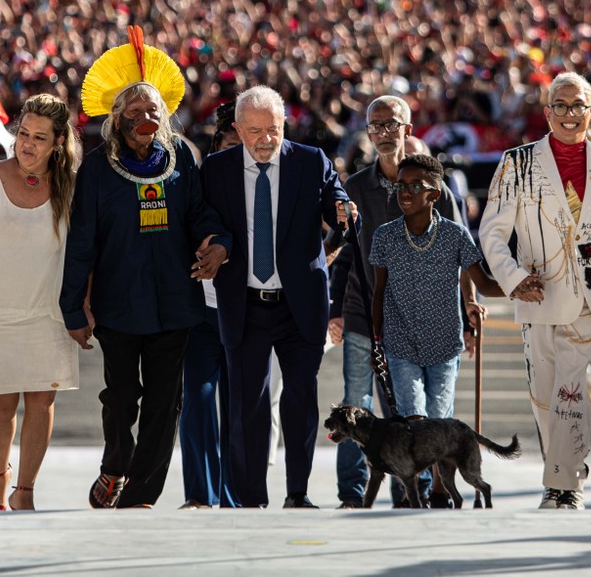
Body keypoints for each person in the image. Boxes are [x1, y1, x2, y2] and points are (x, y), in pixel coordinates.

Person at [59, 33, 231, 509]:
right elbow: (81, 243)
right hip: (118, 305)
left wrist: (219, 244)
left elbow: (201, 216)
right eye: (133, 114)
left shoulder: (183, 162)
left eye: (152, 112)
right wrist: (73, 308)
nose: (144, 120)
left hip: (175, 305)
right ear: (116, 120)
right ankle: (116, 464)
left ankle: (140, 495)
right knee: (121, 397)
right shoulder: (96, 169)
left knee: (164, 404)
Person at [478, 70, 591, 509]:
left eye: (578, 106)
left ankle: (565, 485)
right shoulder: (516, 162)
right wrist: (514, 278)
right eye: (561, 106)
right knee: (543, 394)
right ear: (548, 112)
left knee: (569, 390)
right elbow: (492, 232)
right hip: (536, 290)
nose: (570, 114)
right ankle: (564, 471)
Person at [203, 85, 355, 509]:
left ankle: (297, 493)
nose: (266, 139)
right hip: (245, 302)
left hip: (299, 304)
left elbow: (334, 198)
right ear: (237, 128)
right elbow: (206, 218)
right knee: (246, 406)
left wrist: (342, 211)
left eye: (273, 129)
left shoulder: (310, 161)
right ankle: (250, 499)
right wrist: (216, 242)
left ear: (284, 124)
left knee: (301, 400)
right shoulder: (217, 169)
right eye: (254, 131)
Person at [331, 93, 466, 507]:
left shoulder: (433, 187)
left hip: (414, 319)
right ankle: (352, 493)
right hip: (361, 311)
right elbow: (344, 254)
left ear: (409, 130)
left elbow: (459, 252)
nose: (385, 132)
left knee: (406, 410)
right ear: (368, 133)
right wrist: (334, 310)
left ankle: (412, 491)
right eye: (377, 125)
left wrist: (464, 312)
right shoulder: (354, 187)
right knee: (356, 400)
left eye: (393, 124)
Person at [0, 94, 81, 511]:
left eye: (39, 138)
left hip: (49, 312)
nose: (27, 144)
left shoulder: (71, 185)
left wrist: (84, 307)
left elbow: (84, 254)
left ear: (58, 142)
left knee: (42, 402)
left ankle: (24, 490)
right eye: (23, 133)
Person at [369, 155, 500, 447]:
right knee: (413, 421)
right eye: (400, 186)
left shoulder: (455, 234)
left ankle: (439, 492)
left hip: (443, 344)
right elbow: (379, 291)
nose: (405, 193)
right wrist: (375, 341)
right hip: (400, 343)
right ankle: (420, 490)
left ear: (434, 194)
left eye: (416, 187)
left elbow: (484, 284)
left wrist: (521, 286)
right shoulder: (385, 236)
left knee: (439, 423)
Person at [178, 102, 239, 509]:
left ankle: (235, 497)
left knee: (239, 408)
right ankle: (200, 495)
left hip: (246, 312)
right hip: (199, 311)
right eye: (232, 142)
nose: (240, 152)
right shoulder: (194, 181)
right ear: (217, 143)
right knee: (196, 402)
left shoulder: (272, 183)